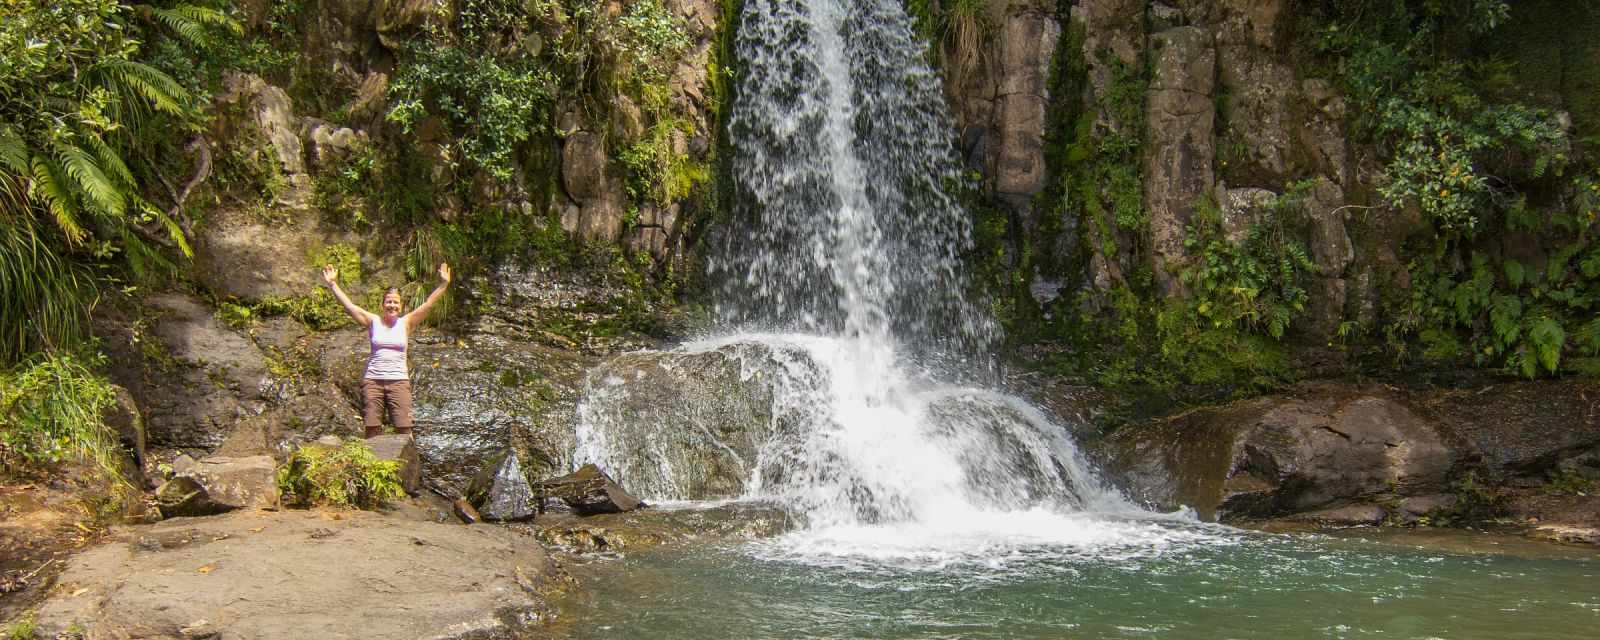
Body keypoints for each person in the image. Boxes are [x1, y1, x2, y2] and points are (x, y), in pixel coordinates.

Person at [320, 262, 452, 439]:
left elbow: (428, 304)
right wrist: (333, 284)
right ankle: (374, 464)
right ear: (383, 305)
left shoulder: (406, 322)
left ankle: (409, 465)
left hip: (398, 381)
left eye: (396, 302)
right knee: (372, 428)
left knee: (404, 429)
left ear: (401, 306)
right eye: (389, 302)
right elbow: (350, 306)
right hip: (373, 381)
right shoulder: (373, 321)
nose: (392, 305)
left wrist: (443, 284)